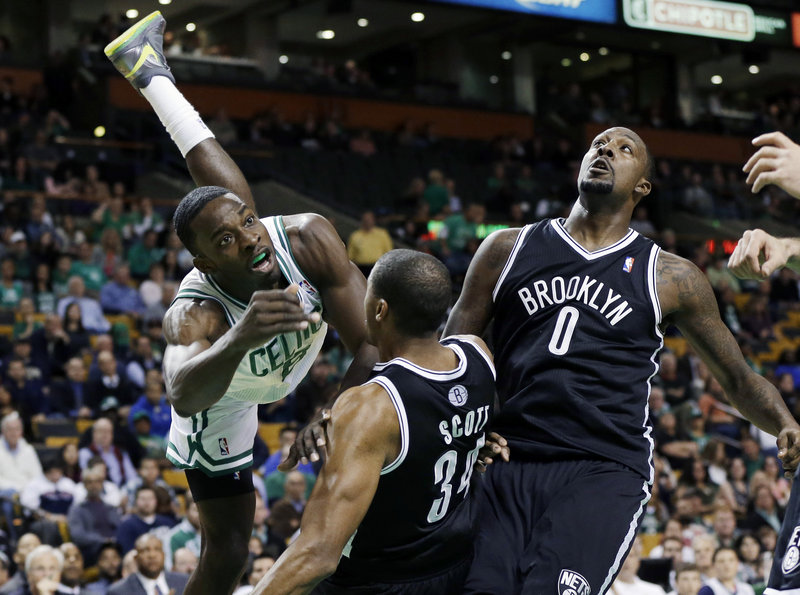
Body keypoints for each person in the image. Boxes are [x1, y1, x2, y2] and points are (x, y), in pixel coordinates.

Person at [443, 126, 800, 594]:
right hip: (508, 459)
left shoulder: (671, 275)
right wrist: (470, 425)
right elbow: (452, 354)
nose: (606, 150)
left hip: (602, 467)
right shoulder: (506, 249)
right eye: (597, 145)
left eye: (624, 149)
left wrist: (785, 422)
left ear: (642, 187)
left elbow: (737, 379)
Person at [104, 11, 376, 595]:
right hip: (223, 405)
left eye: (251, 225)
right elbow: (181, 391)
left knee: (228, 210)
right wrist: (240, 337)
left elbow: (374, 345)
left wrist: (329, 410)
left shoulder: (305, 239)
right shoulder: (193, 311)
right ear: (201, 266)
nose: (252, 238)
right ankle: (151, 76)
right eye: (223, 244)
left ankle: (153, 76)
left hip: (289, 376)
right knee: (228, 555)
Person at [252, 250, 497, 594]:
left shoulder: (372, 406)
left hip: (380, 579)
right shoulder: (477, 355)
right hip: (455, 565)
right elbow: (455, 428)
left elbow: (319, 553)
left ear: (380, 309)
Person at [107, 533, 189, 595]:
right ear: (136, 558)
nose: (152, 555)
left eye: (157, 549)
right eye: (145, 550)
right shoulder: (119, 591)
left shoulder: (185, 582)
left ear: (164, 555)